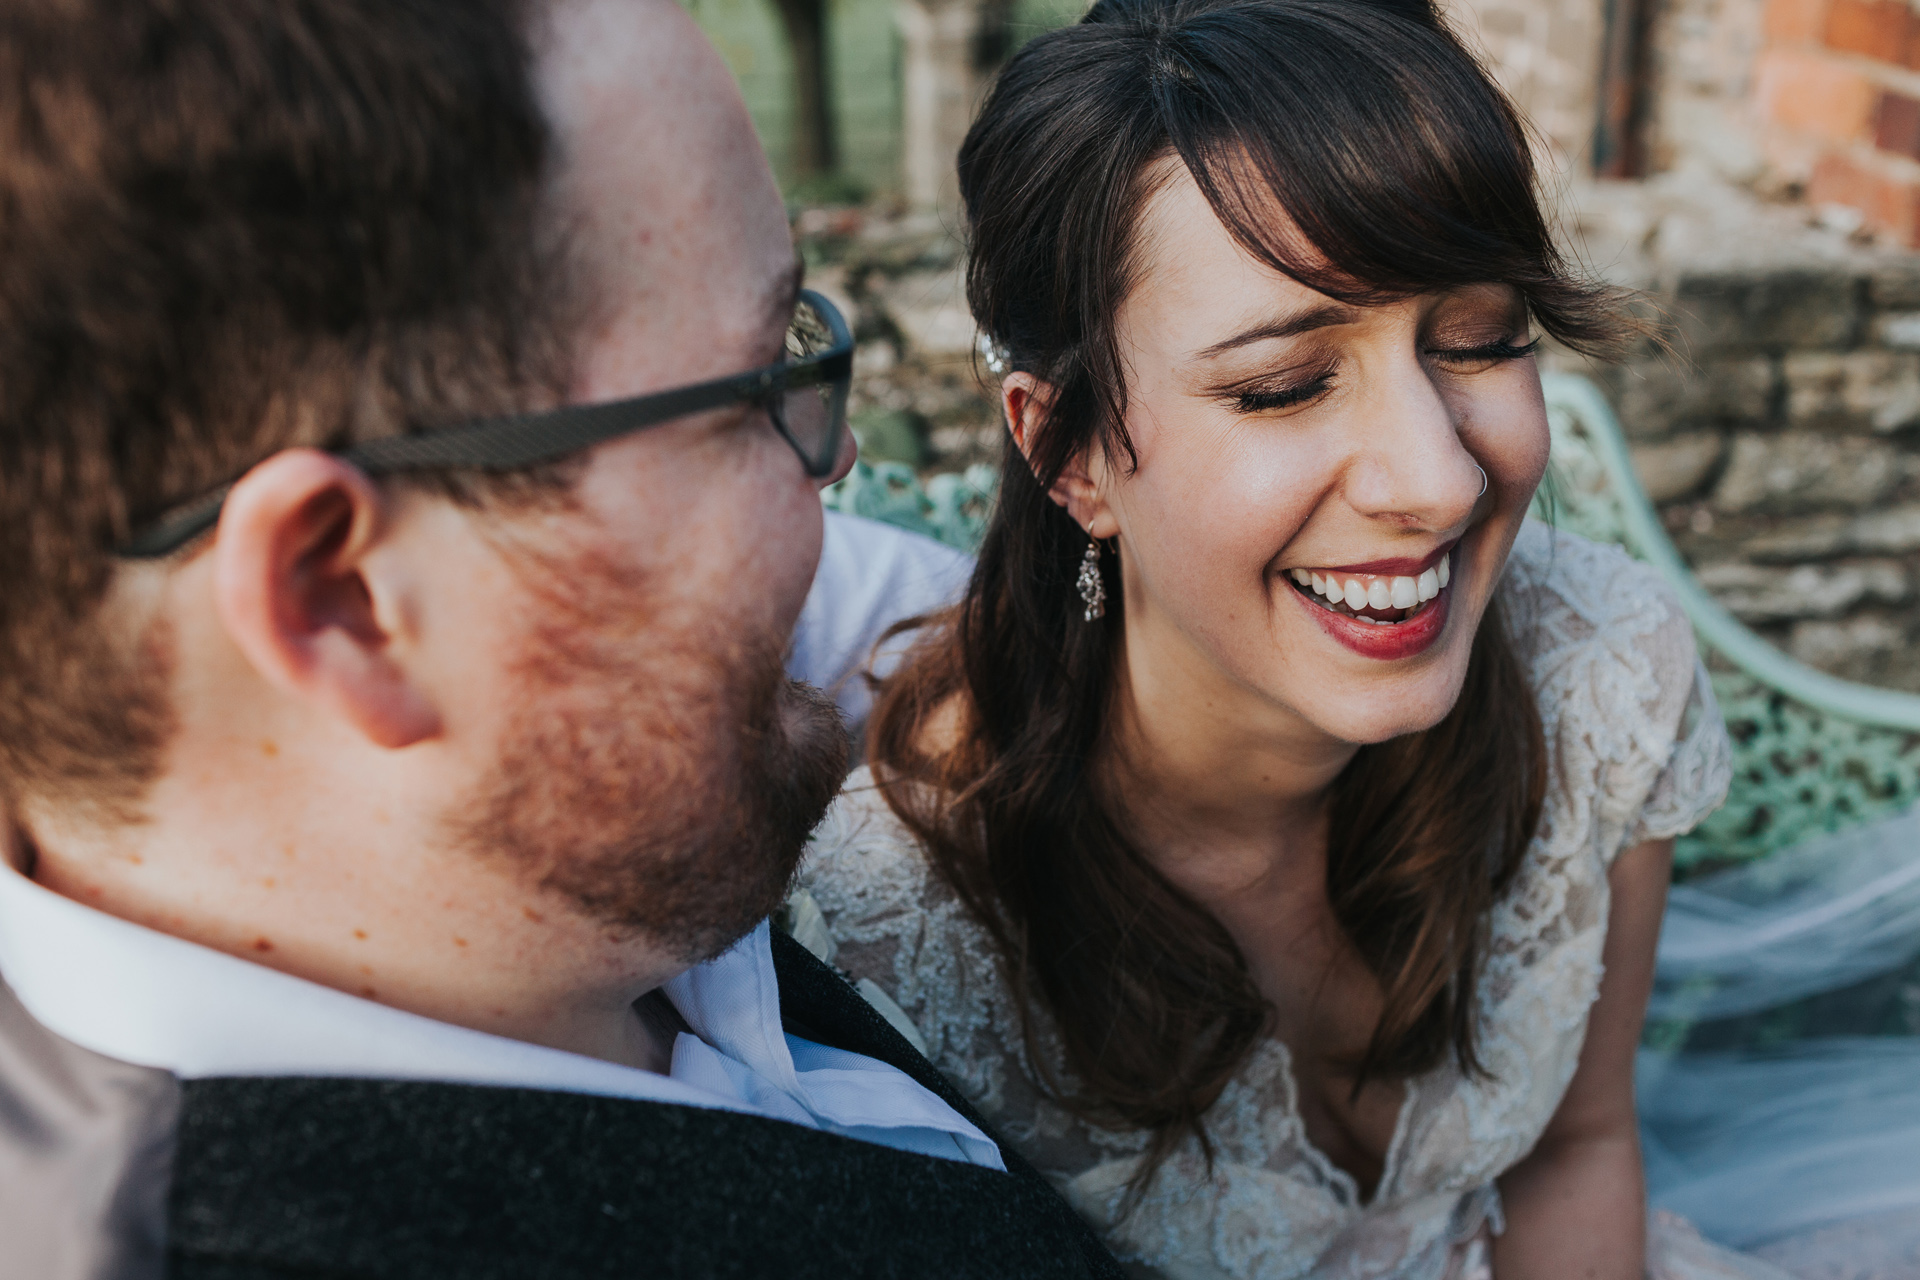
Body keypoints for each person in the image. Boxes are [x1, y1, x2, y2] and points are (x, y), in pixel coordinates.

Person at [0, 2, 1123, 1277]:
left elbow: (871, 595)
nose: (838, 459)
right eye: (761, 384)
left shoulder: (533, 799)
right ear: (350, 602)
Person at [796, 0, 1799, 1275]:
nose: (1437, 481)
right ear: (1068, 451)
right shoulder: (882, 936)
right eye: (1285, 384)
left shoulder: (1604, 671)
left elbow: (1578, 1147)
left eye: (1482, 339)